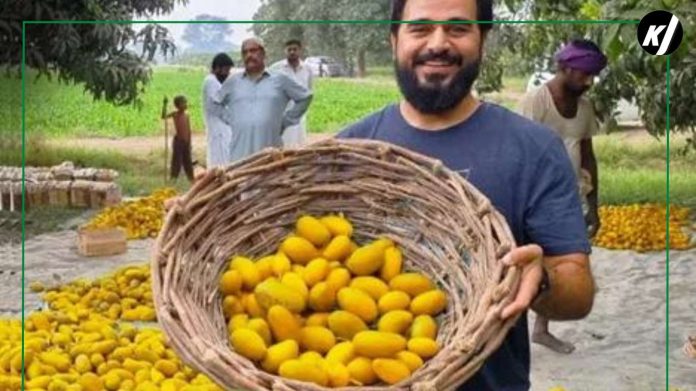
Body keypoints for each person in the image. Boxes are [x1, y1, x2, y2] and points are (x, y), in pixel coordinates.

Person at [338, 0, 595, 389]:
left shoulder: (533, 150)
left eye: (458, 29)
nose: (438, 43)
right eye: (420, 29)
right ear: (394, 40)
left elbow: (578, 293)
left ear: (483, 40)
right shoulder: (349, 150)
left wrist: (539, 281)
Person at [518, 39, 606, 355]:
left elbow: (588, 154)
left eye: (593, 75)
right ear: (564, 67)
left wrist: (593, 205)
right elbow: (520, 154)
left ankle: (541, 330)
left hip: (570, 198)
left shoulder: (584, 108)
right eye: (584, 74)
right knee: (525, 265)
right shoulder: (535, 103)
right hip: (534, 198)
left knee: (560, 266)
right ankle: (509, 333)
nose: (589, 81)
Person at [213, 37, 313, 162]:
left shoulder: (280, 79)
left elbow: (305, 97)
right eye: (245, 52)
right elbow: (215, 103)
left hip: (270, 159)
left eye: (253, 51)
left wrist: (285, 121)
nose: (249, 55)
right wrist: (231, 119)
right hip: (239, 157)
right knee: (239, 180)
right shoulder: (233, 81)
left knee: (272, 179)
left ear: (263, 53)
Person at [277, 39, 314, 147]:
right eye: (289, 49)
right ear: (285, 51)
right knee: (283, 145)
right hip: (283, 114)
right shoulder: (277, 69)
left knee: (300, 145)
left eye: (295, 49)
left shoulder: (307, 69)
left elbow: (309, 90)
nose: (292, 52)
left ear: (300, 51)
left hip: (300, 114)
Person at [202, 53, 235, 168]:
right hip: (218, 127)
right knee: (219, 160)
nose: (228, 73)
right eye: (226, 70)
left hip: (223, 126)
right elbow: (220, 99)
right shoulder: (211, 81)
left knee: (225, 156)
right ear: (217, 68)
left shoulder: (216, 81)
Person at [162, 95, 194, 182]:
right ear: (177, 105)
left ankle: (191, 178)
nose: (185, 105)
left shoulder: (187, 116)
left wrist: (190, 142)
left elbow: (189, 130)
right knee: (177, 161)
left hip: (186, 141)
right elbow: (163, 116)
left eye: (185, 102)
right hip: (178, 142)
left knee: (188, 160)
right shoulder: (175, 114)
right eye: (183, 103)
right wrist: (164, 105)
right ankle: (173, 178)